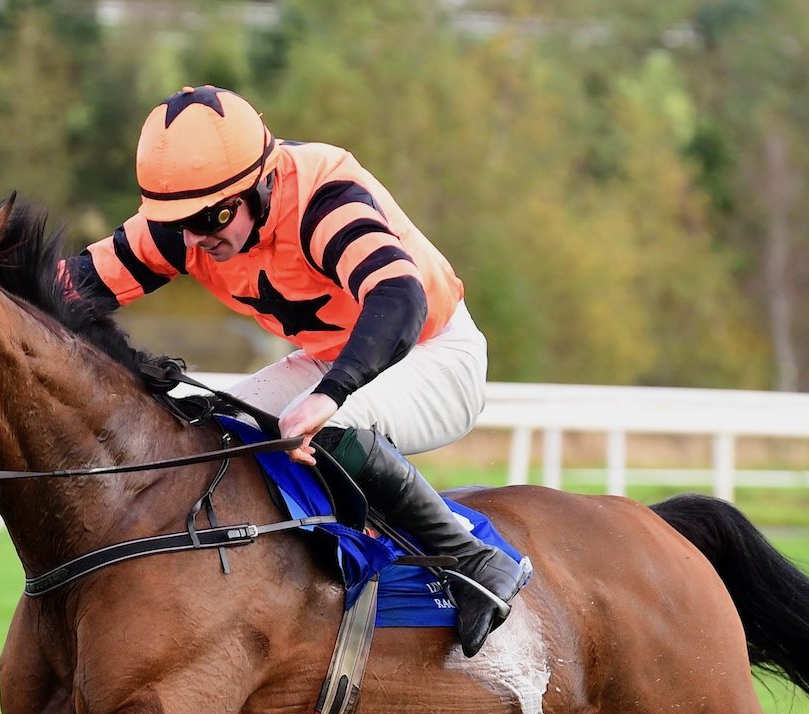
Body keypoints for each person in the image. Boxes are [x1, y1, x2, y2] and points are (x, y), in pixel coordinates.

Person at [61, 85, 531, 657]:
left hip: (433, 352)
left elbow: (399, 298)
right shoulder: (188, 221)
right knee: (210, 434)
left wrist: (328, 395)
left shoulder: (322, 199)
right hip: (332, 356)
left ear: (262, 183)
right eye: (179, 222)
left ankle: (475, 561)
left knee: (323, 427)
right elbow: (61, 290)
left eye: (213, 217)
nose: (197, 238)